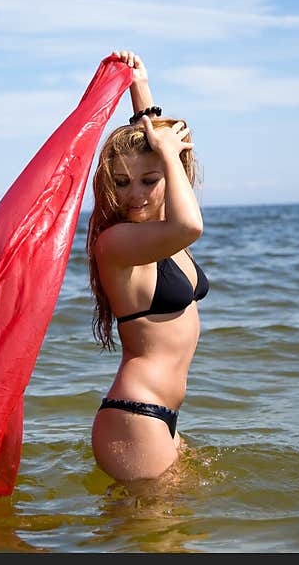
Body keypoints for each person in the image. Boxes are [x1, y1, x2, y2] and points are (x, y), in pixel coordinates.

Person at [86, 50, 208, 482]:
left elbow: (151, 155)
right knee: (157, 543)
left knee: (165, 541)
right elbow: (191, 223)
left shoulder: (158, 230)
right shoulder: (116, 242)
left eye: (148, 181)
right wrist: (167, 157)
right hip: (135, 416)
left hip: (161, 419)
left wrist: (140, 86)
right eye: (120, 182)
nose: (133, 194)